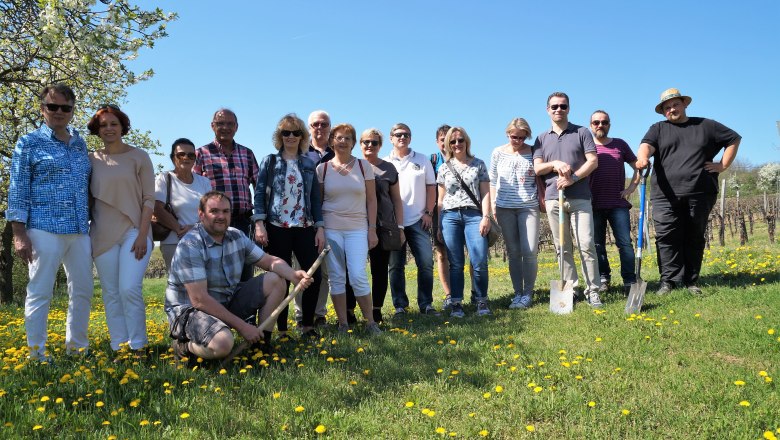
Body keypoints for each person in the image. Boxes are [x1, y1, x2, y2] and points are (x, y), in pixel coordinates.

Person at [165, 191, 313, 361]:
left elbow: (268, 260)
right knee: (223, 344)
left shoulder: (236, 235)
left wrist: (293, 274)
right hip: (191, 310)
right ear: (201, 214)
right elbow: (199, 300)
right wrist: (243, 327)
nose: (221, 216)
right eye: (214, 211)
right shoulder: (191, 244)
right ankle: (184, 347)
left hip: (226, 300)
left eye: (225, 211)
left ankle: (261, 343)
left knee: (277, 279)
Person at [7, 84, 93, 361]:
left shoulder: (80, 144)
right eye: (52, 106)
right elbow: (17, 188)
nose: (58, 112)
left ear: (72, 111)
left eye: (65, 108)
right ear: (42, 108)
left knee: (82, 292)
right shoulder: (28, 143)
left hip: (80, 230)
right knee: (40, 291)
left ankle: (77, 349)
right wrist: (18, 233)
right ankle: (37, 355)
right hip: (43, 228)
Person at [636, 88, 741, 295]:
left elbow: (734, 138)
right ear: (663, 111)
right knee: (666, 236)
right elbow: (645, 146)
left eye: (675, 104)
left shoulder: (706, 125)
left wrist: (723, 165)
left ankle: (691, 280)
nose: (671, 109)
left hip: (700, 192)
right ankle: (668, 281)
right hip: (665, 195)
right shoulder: (658, 128)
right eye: (667, 107)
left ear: (684, 104)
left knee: (694, 235)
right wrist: (643, 158)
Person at [88, 105, 155, 355]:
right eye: (103, 125)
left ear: (122, 126)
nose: (108, 129)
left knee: (129, 288)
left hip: (134, 231)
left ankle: (139, 346)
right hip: (102, 233)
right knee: (111, 293)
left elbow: (149, 198)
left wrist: (142, 234)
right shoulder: (91, 159)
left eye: (113, 124)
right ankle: (120, 347)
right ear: (97, 129)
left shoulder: (139, 156)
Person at [253, 114, 324, 339]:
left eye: (295, 133)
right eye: (286, 133)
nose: (291, 137)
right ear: (280, 136)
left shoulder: (308, 164)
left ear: (302, 137)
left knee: (314, 275)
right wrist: (259, 224)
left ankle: (307, 326)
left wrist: (320, 227)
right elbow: (259, 194)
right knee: (280, 278)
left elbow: (314, 198)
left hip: (304, 226)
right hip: (277, 226)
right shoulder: (270, 161)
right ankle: (281, 330)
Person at [533, 92, 602, 308]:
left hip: (580, 197)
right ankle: (570, 289)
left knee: (586, 244)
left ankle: (593, 290)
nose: (558, 110)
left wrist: (573, 178)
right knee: (562, 247)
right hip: (554, 199)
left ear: (568, 109)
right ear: (547, 110)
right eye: (554, 107)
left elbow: (593, 161)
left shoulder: (581, 132)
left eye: (563, 106)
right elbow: (537, 168)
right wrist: (554, 164)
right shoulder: (541, 138)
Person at [317, 123, 382, 334]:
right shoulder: (323, 169)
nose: (342, 141)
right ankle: (343, 324)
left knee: (357, 274)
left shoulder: (364, 167)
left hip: (358, 229)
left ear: (354, 143)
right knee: (336, 276)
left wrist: (372, 229)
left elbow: (372, 201)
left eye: (347, 138)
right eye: (338, 137)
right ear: (331, 141)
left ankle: (370, 322)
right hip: (331, 229)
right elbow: (318, 203)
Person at [345, 128, 405, 323]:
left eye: (374, 142)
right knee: (353, 269)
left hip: (383, 225)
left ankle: (376, 309)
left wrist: (401, 227)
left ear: (380, 145)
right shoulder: (352, 166)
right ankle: (349, 310)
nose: (370, 145)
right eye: (366, 142)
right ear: (359, 144)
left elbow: (397, 200)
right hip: (356, 224)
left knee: (379, 270)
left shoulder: (389, 168)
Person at [194, 108, 260, 281]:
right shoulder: (201, 153)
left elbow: (259, 187)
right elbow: (193, 188)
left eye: (230, 124)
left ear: (236, 127)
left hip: (243, 222)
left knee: (245, 272)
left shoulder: (247, 153)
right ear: (212, 126)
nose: (225, 127)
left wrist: (260, 220)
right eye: (220, 123)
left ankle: (245, 309)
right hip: (214, 222)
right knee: (217, 273)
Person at [384, 123, 440, 317]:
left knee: (425, 263)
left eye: (406, 134)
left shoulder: (422, 160)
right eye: (398, 134)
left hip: (418, 219)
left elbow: (431, 187)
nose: (402, 137)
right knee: (395, 265)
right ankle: (400, 305)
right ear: (391, 138)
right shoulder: (385, 163)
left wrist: (428, 212)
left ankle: (426, 304)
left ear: (410, 138)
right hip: (393, 223)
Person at [436, 127, 492, 318]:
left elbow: (485, 193)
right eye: (452, 142)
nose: (457, 144)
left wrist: (486, 217)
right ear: (448, 145)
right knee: (455, 262)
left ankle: (481, 300)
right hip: (450, 217)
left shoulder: (479, 164)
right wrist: (438, 225)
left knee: (479, 261)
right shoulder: (444, 167)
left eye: (460, 140)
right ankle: (456, 303)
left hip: (474, 216)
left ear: (466, 141)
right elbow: (440, 200)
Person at [489, 118, 540, 309]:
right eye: (513, 137)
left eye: (521, 137)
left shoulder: (534, 152)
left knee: (529, 251)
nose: (517, 140)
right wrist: (493, 204)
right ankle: (517, 293)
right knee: (513, 252)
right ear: (507, 134)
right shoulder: (497, 153)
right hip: (504, 207)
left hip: (529, 206)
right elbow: (492, 180)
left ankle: (528, 293)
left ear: (527, 136)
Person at [588, 110, 640, 294]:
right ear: (591, 125)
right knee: (597, 245)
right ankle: (604, 278)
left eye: (604, 122)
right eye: (596, 122)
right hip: (593, 205)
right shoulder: (586, 146)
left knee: (625, 243)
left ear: (609, 124)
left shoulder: (620, 144)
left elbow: (637, 167)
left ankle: (629, 280)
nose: (600, 125)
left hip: (618, 204)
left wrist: (631, 188)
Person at [293, 110, 334, 327]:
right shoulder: (299, 152)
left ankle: (319, 314)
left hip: (332, 218)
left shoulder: (337, 152)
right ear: (309, 128)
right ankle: (301, 315)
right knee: (304, 269)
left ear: (330, 127)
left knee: (325, 271)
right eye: (315, 124)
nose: (320, 128)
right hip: (304, 220)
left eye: (324, 124)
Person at [154, 138, 213, 270]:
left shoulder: (204, 182)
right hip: (174, 242)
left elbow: (211, 212)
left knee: (205, 284)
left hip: (202, 241)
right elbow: (157, 208)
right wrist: (179, 229)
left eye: (191, 155)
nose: (186, 158)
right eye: (181, 154)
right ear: (172, 157)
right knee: (178, 285)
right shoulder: (163, 179)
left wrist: (194, 229)